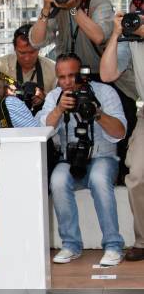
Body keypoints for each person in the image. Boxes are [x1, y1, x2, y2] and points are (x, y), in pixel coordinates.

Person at [29, 0, 137, 182]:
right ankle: (70, 164)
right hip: (70, 75)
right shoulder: (58, 3)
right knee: (65, 118)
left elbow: (99, 36)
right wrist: (46, 10)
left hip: (105, 75)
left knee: (121, 115)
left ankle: (122, 172)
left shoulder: (99, 2)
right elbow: (36, 40)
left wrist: (73, 8)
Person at [38, 53, 127, 266]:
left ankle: (113, 246)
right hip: (69, 159)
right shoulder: (54, 96)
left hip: (102, 156)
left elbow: (120, 132)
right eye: (62, 77)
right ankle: (70, 245)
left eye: (73, 75)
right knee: (57, 181)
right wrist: (59, 109)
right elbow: (42, 129)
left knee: (98, 178)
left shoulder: (105, 92)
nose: (68, 82)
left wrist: (97, 114)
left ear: (83, 74)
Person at [100, 12, 144, 261]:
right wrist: (118, 33)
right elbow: (107, 74)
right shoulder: (132, 39)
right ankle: (142, 240)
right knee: (136, 175)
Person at [0, 24, 56, 112]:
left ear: (39, 49)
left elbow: (57, 103)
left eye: (32, 52)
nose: (27, 58)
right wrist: (4, 94)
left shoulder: (53, 69)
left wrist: (45, 99)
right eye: (22, 53)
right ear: (14, 48)